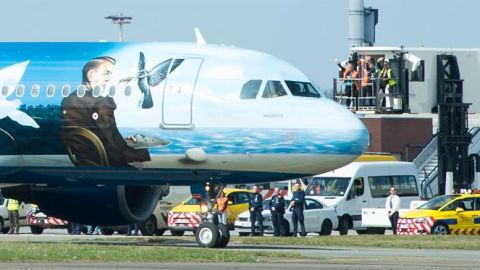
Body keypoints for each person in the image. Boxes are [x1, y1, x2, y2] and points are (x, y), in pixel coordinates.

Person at [61, 56, 150, 167]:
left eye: (110, 74)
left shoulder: (74, 98)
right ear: (91, 75)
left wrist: (123, 140)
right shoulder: (89, 102)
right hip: (102, 156)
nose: (109, 78)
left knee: (138, 149)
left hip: (92, 154)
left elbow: (101, 130)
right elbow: (105, 131)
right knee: (141, 152)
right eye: (106, 73)